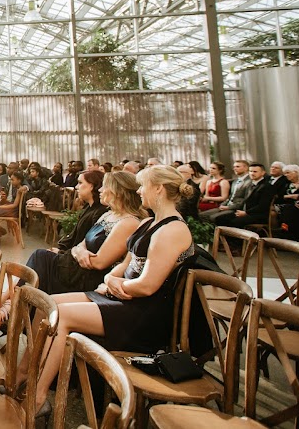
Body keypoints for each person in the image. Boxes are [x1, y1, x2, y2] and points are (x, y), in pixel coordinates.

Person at [23, 165, 195, 417]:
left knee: (63, 316)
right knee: (49, 303)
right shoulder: (149, 222)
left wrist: (116, 284)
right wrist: (111, 281)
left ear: (158, 189)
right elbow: (123, 265)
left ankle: (38, 396)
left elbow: (148, 285)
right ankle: (27, 370)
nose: (139, 191)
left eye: (143, 185)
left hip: (143, 314)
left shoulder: (174, 230)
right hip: (121, 296)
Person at [24, 171, 143, 295]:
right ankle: (13, 301)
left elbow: (99, 263)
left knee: (40, 259)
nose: (100, 190)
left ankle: (12, 301)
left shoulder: (129, 222)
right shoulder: (109, 214)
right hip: (78, 267)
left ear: (118, 192)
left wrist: (77, 251)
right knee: (40, 261)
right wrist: (78, 251)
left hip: (88, 277)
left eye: (105, 186)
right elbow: (81, 244)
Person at [214, 163, 271, 228]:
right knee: (219, 219)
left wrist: (246, 213)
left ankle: (236, 238)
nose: (252, 173)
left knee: (233, 222)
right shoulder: (250, 185)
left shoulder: (267, 186)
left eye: (255, 171)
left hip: (257, 215)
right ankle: (222, 238)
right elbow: (244, 200)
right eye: (250, 171)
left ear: (263, 173)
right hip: (244, 212)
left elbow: (262, 206)